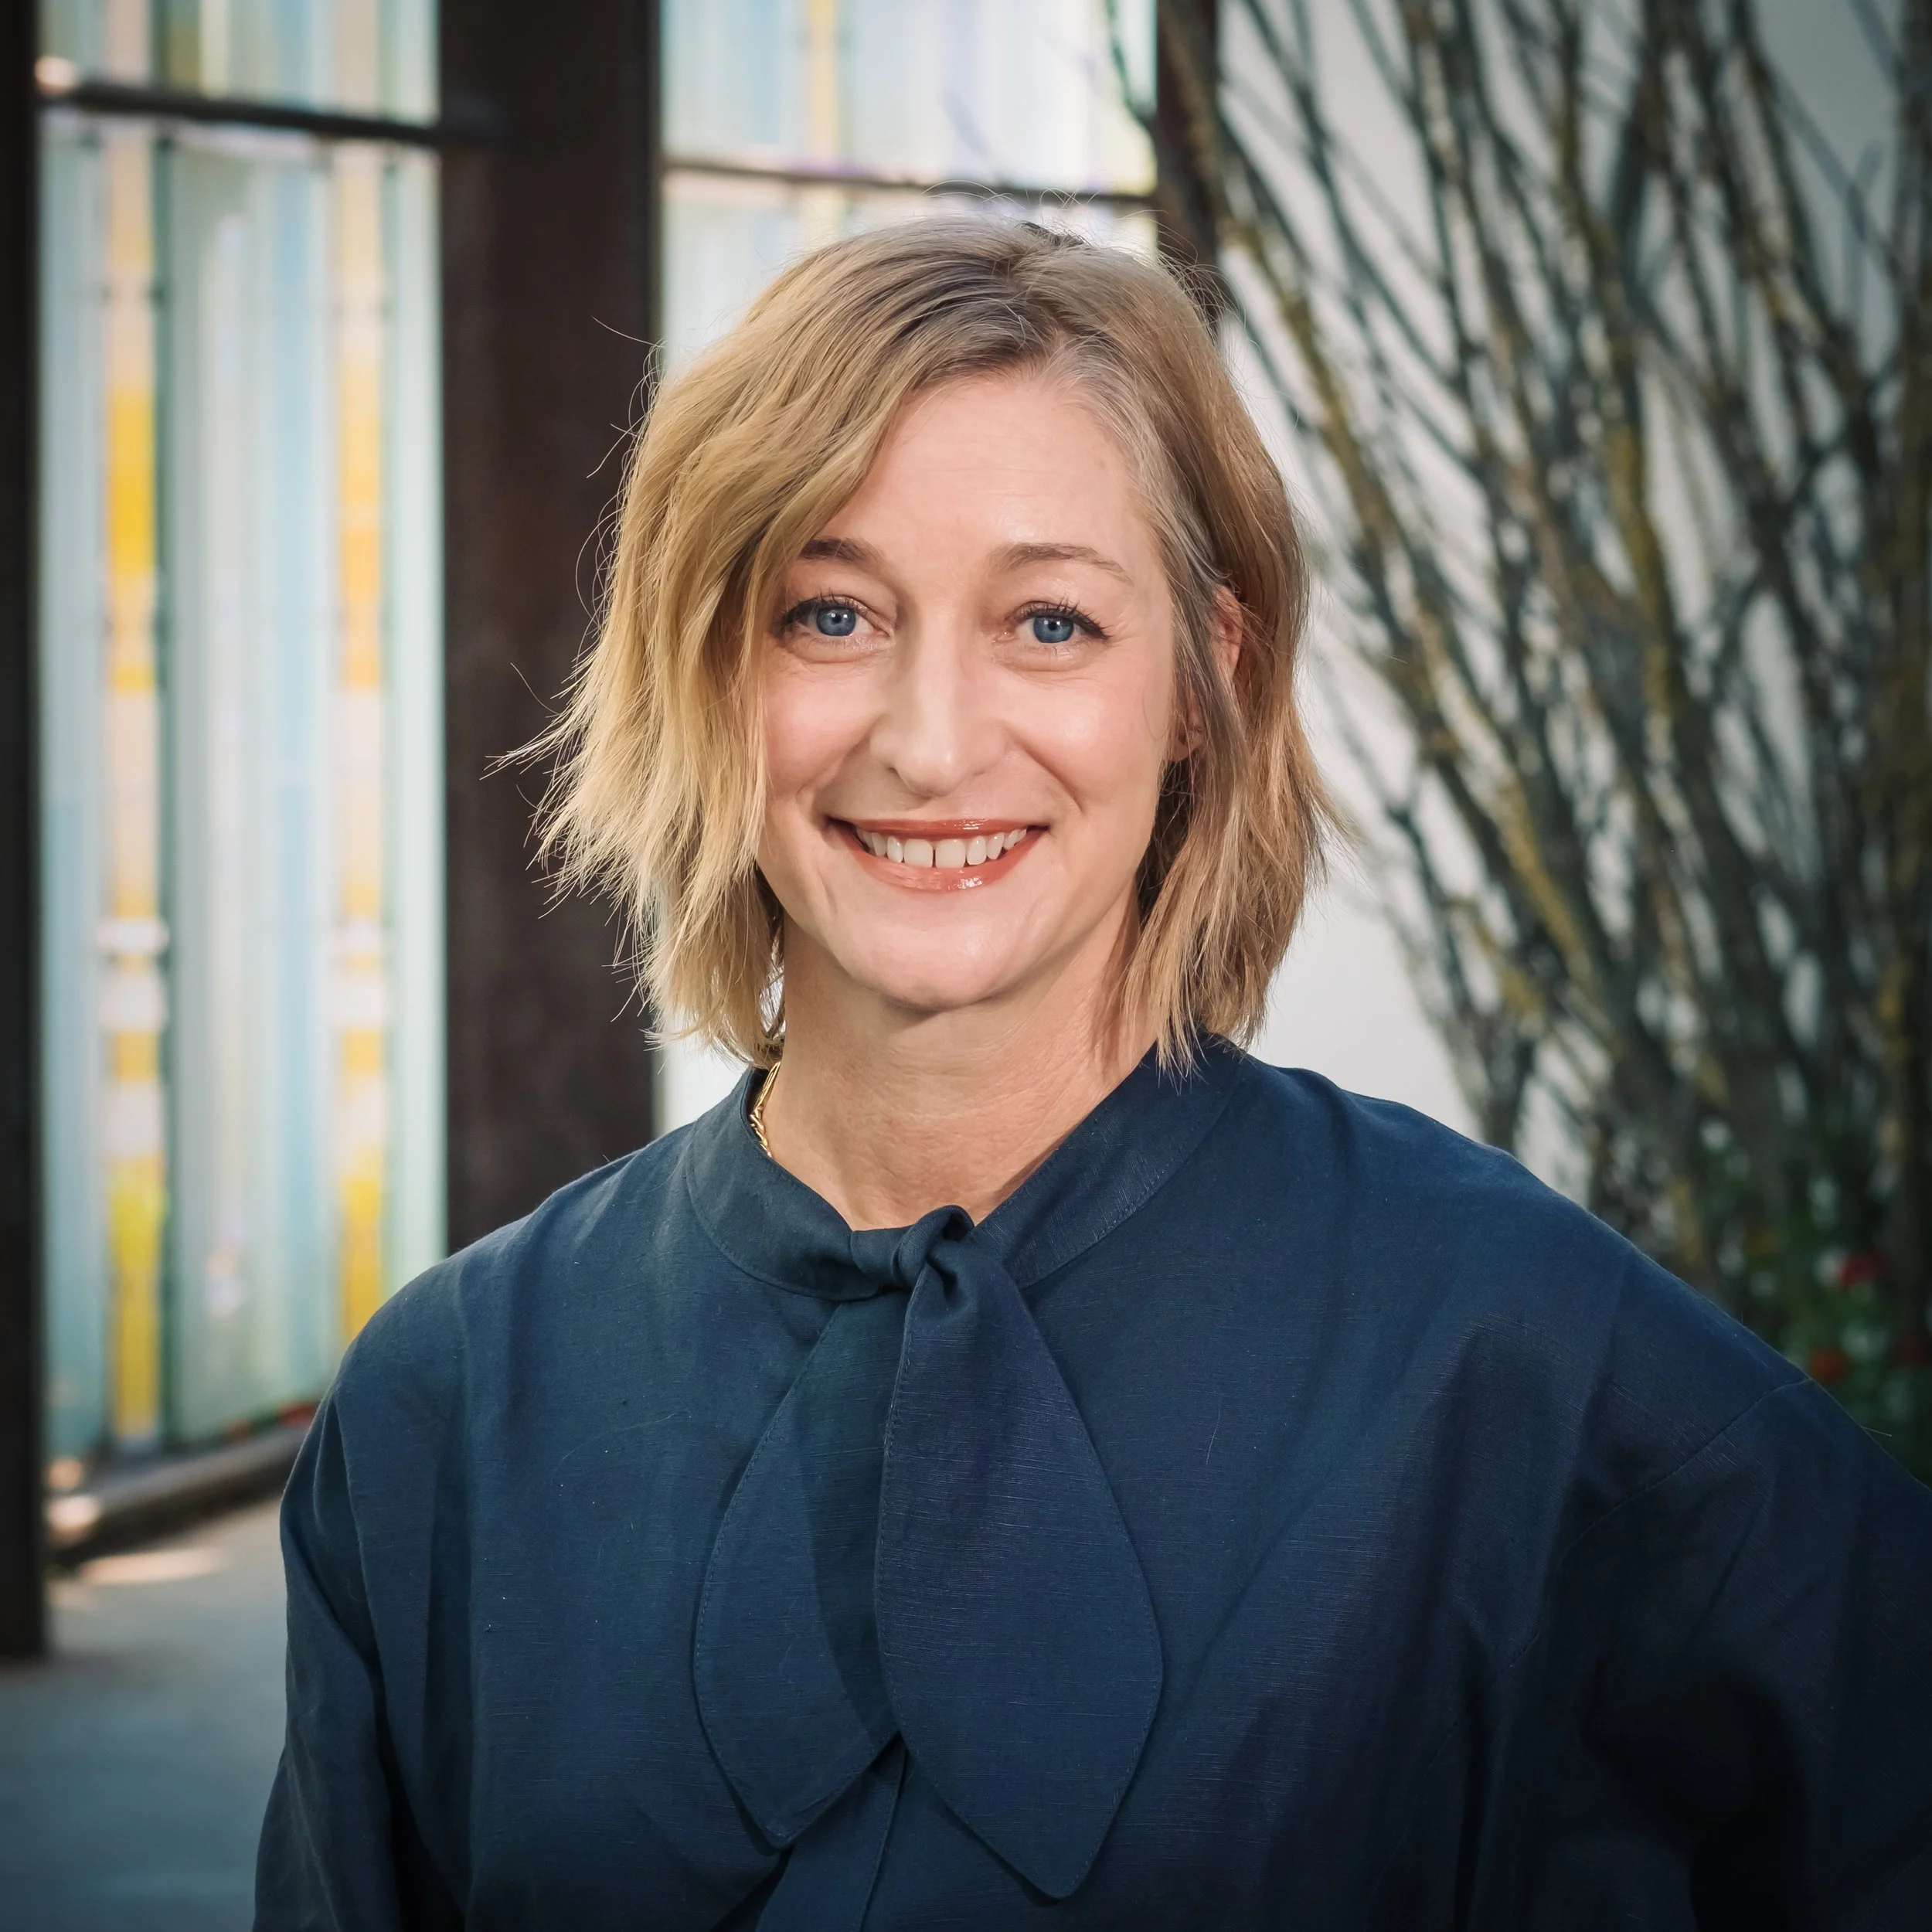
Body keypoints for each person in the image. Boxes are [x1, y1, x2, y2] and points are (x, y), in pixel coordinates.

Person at [255, 219, 1932, 1931]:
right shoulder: (447, 1402)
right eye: (829, 614)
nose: (929, 741)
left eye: (1049, 622)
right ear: (705, 669)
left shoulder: (1519, 1356)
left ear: (1208, 677)